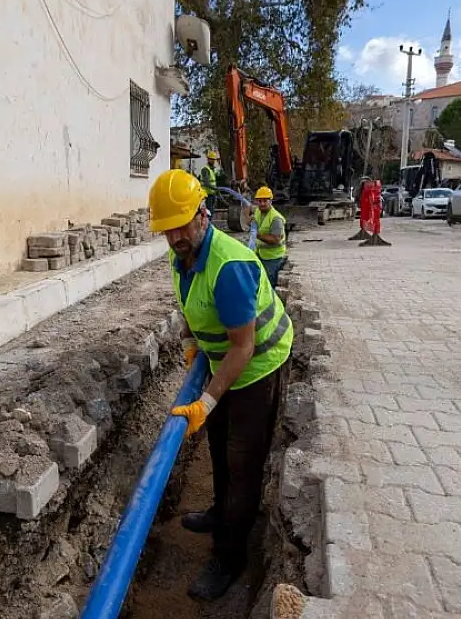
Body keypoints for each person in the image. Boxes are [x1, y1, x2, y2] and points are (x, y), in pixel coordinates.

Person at [147, 169, 293, 601]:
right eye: (166, 230)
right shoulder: (183, 258)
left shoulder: (227, 265)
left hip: (257, 366)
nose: (174, 237)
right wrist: (192, 343)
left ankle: (230, 558)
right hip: (222, 361)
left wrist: (206, 401)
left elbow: (243, 348)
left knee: (243, 463)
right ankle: (218, 510)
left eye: (181, 225)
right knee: (217, 449)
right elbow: (190, 309)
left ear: (202, 215)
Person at [251, 186, 286, 287]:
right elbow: (249, 210)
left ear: (270, 201)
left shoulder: (276, 218)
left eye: (265, 201)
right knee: (261, 282)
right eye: (259, 201)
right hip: (261, 255)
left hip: (273, 258)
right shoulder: (258, 211)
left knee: (269, 285)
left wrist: (257, 235)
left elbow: (275, 239)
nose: (262, 203)